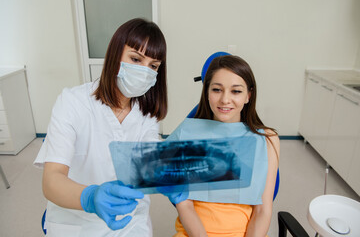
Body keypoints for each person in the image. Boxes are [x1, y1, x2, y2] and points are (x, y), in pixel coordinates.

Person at [34, 18, 185, 237]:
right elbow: (51, 181)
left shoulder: (146, 113)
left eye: (153, 66)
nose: (145, 71)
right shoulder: (72, 102)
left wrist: (168, 172)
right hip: (75, 220)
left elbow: (150, 157)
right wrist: (91, 197)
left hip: (129, 218)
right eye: (135, 59)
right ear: (115, 55)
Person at [173, 55, 280, 237]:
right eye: (217, 89)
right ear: (207, 92)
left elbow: (263, 210)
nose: (225, 99)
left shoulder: (267, 139)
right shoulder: (186, 134)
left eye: (236, 91)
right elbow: (184, 205)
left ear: (249, 95)